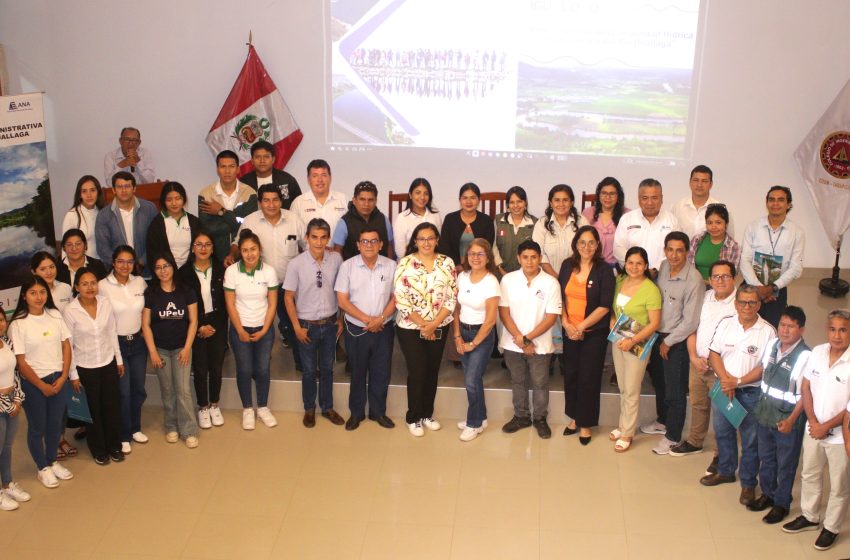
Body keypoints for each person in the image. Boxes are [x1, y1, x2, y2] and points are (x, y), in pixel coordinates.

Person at [701, 286, 776, 509]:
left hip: (751, 392)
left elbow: (765, 367)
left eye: (752, 302)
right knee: (723, 433)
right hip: (724, 389)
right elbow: (714, 353)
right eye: (742, 302)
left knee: (751, 441)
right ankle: (725, 471)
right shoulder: (726, 323)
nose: (747, 307)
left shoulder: (768, 332)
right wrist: (726, 381)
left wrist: (738, 382)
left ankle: (748, 483)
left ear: (759, 305)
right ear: (736, 304)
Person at [782, 309, 850, 552]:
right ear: (826, 329)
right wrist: (813, 421)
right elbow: (806, 387)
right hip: (813, 429)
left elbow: (849, 409)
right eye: (832, 329)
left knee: (839, 485)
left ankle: (831, 527)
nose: (837, 335)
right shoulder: (818, 352)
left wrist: (825, 427)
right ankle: (810, 517)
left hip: (841, 436)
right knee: (809, 473)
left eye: (843, 330)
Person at [669, 260, 737, 470]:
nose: (720, 280)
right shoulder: (705, 297)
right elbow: (692, 328)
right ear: (710, 279)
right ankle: (695, 441)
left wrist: (719, 366)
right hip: (698, 363)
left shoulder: (740, 303)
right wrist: (693, 357)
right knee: (698, 404)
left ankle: (721, 454)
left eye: (725, 276)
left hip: (722, 369)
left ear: (734, 279)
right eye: (716, 276)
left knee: (723, 412)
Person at [8, 276, 75, 488]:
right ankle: (42, 467)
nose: (39, 297)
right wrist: (41, 385)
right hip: (34, 383)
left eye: (42, 292)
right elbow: (21, 362)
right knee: (38, 427)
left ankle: (52, 461)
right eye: (33, 293)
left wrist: (63, 376)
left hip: (58, 379)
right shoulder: (18, 324)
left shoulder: (55, 315)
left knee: (55, 425)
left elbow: (66, 346)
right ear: (24, 296)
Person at [746, 306, 810, 525]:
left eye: (791, 326)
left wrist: (791, 420)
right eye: (782, 325)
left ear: (801, 330)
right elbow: (763, 372)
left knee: (786, 464)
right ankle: (768, 494)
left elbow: (806, 394)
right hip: (765, 414)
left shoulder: (805, 356)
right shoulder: (773, 345)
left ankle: (781, 503)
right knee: (767, 458)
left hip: (787, 420)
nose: (785, 330)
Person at [228, 184, 304, 365]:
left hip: (288, 285)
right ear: (260, 203)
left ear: (281, 201)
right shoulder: (250, 221)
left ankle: (301, 363)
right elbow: (238, 244)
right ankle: (261, 361)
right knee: (260, 324)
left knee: (294, 324)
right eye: (266, 200)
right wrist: (231, 254)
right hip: (260, 286)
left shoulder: (294, 219)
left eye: (275, 200)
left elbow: (307, 245)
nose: (271, 204)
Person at [394, 222, 458, 437]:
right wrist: (424, 325)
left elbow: (451, 297)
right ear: (415, 241)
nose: (426, 242)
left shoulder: (447, 262)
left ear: (437, 240)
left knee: (432, 370)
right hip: (410, 327)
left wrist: (433, 324)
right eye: (422, 239)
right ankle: (413, 417)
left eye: (430, 238)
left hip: (439, 325)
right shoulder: (405, 263)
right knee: (417, 370)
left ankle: (426, 414)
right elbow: (401, 299)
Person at [648, 231, 705, 456]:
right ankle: (663, 421)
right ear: (664, 250)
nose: (674, 255)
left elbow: (691, 321)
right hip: (657, 334)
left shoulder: (694, 280)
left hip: (676, 341)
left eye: (679, 250)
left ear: (687, 252)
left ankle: (673, 436)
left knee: (675, 390)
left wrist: (669, 342)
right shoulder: (663, 266)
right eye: (670, 250)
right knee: (660, 383)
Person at [284, 218, 345, 428]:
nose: (319, 242)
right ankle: (309, 409)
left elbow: (341, 291)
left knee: (327, 368)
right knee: (309, 371)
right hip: (306, 326)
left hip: (330, 324)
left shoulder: (336, 259)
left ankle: (327, 408)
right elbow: (288, 297)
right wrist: (296, 327)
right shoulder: (296, 264)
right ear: (307, 238)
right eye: (314, 237)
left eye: (323, 237)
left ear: (328, 238)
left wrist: (340, 318)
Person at [335, 228, 397, 430]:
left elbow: (396, 297)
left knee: (381, 372)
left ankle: (378, 413)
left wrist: (381, 319)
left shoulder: (391, 266)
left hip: (383, 328)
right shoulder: (347, 266)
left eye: (373, 241)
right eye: (365, 241)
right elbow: (342, 300)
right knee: (357, 372)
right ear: (358, 245)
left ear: (381, 244)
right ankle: (356, 413)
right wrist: (368, 320)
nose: (369, 245)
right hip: (357, 329)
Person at [499, 240, 562, 439]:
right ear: (518, 258)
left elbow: (551, 317)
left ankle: (540, 419)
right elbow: (504, 313)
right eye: (525, 257)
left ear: (540, 258)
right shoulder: (508, 280)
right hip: (512, 343)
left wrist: (527, 339)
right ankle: (521, 417)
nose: (529, 261)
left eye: (534, 257)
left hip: (540, 345)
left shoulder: (551, 282)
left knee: (540, 383)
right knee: (517, 381)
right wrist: (521, 340)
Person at [63, 268, 124, 465]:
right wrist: (73, 374)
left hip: (107, 362)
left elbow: (112, 331)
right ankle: (99, 450)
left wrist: (119, 359)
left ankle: (114, 446)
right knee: (93, 411)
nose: (90, 287)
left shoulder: (105, 303)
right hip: (85, 367)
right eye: (84, 284)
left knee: (111, 407)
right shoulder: (70, 310)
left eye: (93, 283)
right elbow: (68, 344)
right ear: (76, 287)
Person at [559, 226, 614, 445]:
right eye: (582, 242)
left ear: (598, 245)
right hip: (569, 331)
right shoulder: (567, 265)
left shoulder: (604, 270)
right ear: (576, 244)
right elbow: (560, 298)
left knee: (588, 378)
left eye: (591, 242)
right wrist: (566, 323)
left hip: (593, 333)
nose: (587, 247)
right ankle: (574, 417)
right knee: (571, 375)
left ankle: (585, 424)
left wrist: (580, 327)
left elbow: (605, 305)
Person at [141, 255, 199, 448]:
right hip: (160, 350)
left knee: (183, 390)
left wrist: (188, 348)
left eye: (166, 266)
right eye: (158, 267)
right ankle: (171, 426)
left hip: (182, 348)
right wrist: (153, 352)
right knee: (167, 391)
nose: (163, 270)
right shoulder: (151, 293)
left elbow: (193, 321)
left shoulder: (186, 291)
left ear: (173, 267)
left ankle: (189, 430)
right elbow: (146, 324)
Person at [223, 230, 279, 431]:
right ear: (240, 252)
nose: (249, 254)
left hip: (264, 328)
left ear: (259, 249)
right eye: (245, 250)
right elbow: (230, 304)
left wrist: (264, 330)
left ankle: (262, 407)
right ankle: (247, 408)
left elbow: (272, 304)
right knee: (245, 369)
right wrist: (240, 330)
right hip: (240, 328)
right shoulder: (232, 272)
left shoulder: (269, 271)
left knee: (263, 369)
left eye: (253, 249)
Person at [609, 247, 662, 452]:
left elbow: (654, 323)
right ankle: (623, 424)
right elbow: (614, 310)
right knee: (623, 386)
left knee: (631, 389)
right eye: (630, 262)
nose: (634, 267)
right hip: (618, 341)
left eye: (639, 263)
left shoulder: (651, 289)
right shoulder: (620, 281)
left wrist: (632, 341)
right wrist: (612, 324)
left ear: (646, 265)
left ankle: (627, 433)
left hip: (637, 344)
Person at [99, 246, 149, 454]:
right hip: (116, 344)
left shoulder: (140, 282)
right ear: (113, 263)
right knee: (123, 392)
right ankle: (124, 434)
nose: (125, 266)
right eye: (120, 261)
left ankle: (136, 428)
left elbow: (146, 311)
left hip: (138, 343)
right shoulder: (103, 286)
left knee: (138, 389)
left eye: (129, 261)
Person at [452, 238, 500, 441]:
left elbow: (490, 320)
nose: (476, 257)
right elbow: (455, 308)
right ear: (467, 256)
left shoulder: (491, 282)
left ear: (488, 257)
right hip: (463, 331)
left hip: (482, 335)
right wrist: (457, 336)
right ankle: (481, 418)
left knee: (471, 381)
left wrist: (473, 344)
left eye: (481, 254)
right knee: (473, 379)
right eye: (472, 254)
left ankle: (473, 423)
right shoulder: (462, 277)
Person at [179, 231, 226, 429]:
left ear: (213, 248)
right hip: (195, 325)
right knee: (200, 368)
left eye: (207, 244)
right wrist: (199, 326)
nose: (203, 248)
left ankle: (215, 404)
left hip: (218, 324)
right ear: (193, 248)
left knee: (216, 367)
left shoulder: (222, 269)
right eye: (199, 244)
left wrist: (213, 326)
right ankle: (203, 407)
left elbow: (225, 302)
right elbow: (182, 303)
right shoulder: (183, 273)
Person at [739, 186, 805, 328]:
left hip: (778, 288)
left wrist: (773, 288)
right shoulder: (753, 227)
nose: (775, 203)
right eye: (771, 199)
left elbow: (795, 267)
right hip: (751, 284)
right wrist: (758, 288)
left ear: (788, 204)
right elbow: (745, 259)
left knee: (772, 328)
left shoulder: (797, 232)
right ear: (766, 203)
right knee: (743, 325)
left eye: (781, 200)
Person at [198, 150, 258, 263]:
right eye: (223, 167)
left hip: (243, 255)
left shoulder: (249, 193)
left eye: (231, 166)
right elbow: (207, 228)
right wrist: (235, 222)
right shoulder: (205, 194)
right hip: (214, 255)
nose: (227, 171)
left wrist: (221, 211)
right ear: (217, 170)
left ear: (238, 169)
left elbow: (247, 228)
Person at [95, 171, 158, 277]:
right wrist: (122, 265)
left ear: (134, 188)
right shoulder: (103, 215)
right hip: (118, 275)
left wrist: (141, 262)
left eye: (127, 186)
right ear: (113, 190)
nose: (124, 190)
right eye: (119, 187)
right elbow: (103, 249)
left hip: (146, 272)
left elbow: (155, 241)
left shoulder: (149, 209)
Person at [613, 178, 680, 275]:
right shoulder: (627, 219)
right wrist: (637, 268)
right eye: (645, 198)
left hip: (664, 275)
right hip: (632, 275)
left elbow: (676, 250)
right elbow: (618, 249)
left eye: (654, 198)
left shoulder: (672, 220)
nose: (650, 203)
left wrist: (656, 269)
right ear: (639, 199)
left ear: (661, 198)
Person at [0, 305, 30, 511]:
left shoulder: (7, 342)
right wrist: (7, 403)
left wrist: (17, 400)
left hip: (12, 400)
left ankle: (7, 483)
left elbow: (16, 375)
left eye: (2, 320)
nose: (0, 324)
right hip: (2, 403)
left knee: (7, 447)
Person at [532, 184, 588, 278]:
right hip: (548, 278)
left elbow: (587, 250)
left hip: (578, 277)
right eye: (557, 200)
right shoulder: (542, 224)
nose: (561, 204)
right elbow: (538, 254)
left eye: (565, 200)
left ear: (571, 203)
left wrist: (573, 278)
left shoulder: (582, 222)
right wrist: (555, 277)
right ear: (550, 203)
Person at [438, 183, 496, 272]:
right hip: (453, 268)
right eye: (465, 198)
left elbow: (487, 249)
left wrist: (466, 266)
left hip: (479, 267)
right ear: (460, 200)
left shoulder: (487, 221)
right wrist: (456, 266)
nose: (469, 201)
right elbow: (444, 247)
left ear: (479, 200)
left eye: (473, 198)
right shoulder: (450, 219)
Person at [333, 181, 394, 260]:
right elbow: (337, 251)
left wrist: (390, 266)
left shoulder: (384, 220)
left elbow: (389, 246)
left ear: (376, 201)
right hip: (352, 267)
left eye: (370, 200)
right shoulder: (344, 223)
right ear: (354, 200)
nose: (366, 204)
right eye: (362, 199)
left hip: (381, 266)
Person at [146, 181, 200, 269]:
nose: (174, 203)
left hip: (191, 271)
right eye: (169, 200)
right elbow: (153, 254)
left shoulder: (194, 221)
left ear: (184, 199)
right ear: (163, 201)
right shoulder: (156, 224)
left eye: (178, 199)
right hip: (166, 272)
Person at [289, 159, 348, 239]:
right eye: (315, 176)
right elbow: (293, 233)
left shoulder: (343, 200)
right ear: (308, 179)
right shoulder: (298, 203)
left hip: (338, 247)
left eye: (324, 175)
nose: (320, 180)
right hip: (307, 247)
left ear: (330, 178)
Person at [582, 177, 629, 270]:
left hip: (617, 267)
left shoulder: (627, 215)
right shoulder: (587, 213)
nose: (608, 197)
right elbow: (581, 241)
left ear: (618, 196)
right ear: (599, 195)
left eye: (612, 194)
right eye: (604, 193)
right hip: (591, 266)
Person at [239, 140, 302, 209]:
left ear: (273, 159)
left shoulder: (287, 180)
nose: (262, 161)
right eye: (258, 157)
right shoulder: (243, 183)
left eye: (266, 156)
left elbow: (299, 206)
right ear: (252, 161)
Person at [671, 165, 729, 239]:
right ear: (690, 182)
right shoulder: (678, 206)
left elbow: (728, 239)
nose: (699, 185)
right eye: (696, 180)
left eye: (704, 181)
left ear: (711, 184)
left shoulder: (720, 208)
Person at [687, 203, 740, 282]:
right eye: (709, 223)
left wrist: (710, 283)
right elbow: (688, 266)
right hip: (695, 284)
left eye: (718, 222)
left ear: (726, 224)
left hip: (720, 286)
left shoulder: (733, 246)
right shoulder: (697, 239)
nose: (713, 226)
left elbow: (731, 275)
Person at [392, 178, 442, 260]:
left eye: (426, 193)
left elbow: (438, 242)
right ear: (410, 195)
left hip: (433, 261)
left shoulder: (435, 215)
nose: (422, 197)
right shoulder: (402, 218)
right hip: (409, 263)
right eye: (418, 193)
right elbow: (400, 251)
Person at [494, 186, 537, 276]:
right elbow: (493, 246)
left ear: (525, 203)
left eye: (519, 201)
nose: (516, 205)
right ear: (508, 205)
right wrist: (500, 269)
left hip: (526, 275)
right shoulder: (498, 221)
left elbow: (536, 252)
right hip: (500, 273)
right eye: (512, 202)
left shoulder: (535, 223)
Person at [61, 175, 103, 259]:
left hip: (102, 263)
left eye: (92, 190)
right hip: (81, 264)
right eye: (84, 191)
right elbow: (65, 247)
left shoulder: (103, 213)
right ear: (79, 194)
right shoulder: (72, 215)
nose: (89, 195)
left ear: (98, 192)